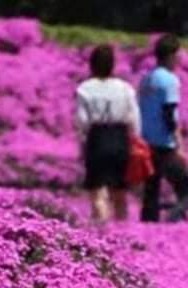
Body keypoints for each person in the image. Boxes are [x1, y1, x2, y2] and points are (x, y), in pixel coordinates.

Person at [75, 45, 141, 222]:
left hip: (97, 138)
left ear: (92, 65)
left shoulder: (85, 88)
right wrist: (134, 140)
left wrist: (82, 144)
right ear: (113, 65)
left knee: (98, 192)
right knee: (120, 192)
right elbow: (134, 118)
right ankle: (122, 232)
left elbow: (82, 122)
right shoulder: (125, 88)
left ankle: (102, 231)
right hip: (120, 138)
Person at [139, 34, 188, 223]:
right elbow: (169, 114)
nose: (180, 58)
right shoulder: (170, 80)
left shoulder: (147, 79)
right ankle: (170, 223)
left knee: (151, 193)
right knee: (186, 193)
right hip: (165, 144)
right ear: (171, 55)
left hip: (147, 143)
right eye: (178, 54)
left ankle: (148, 230)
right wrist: (179, 144)